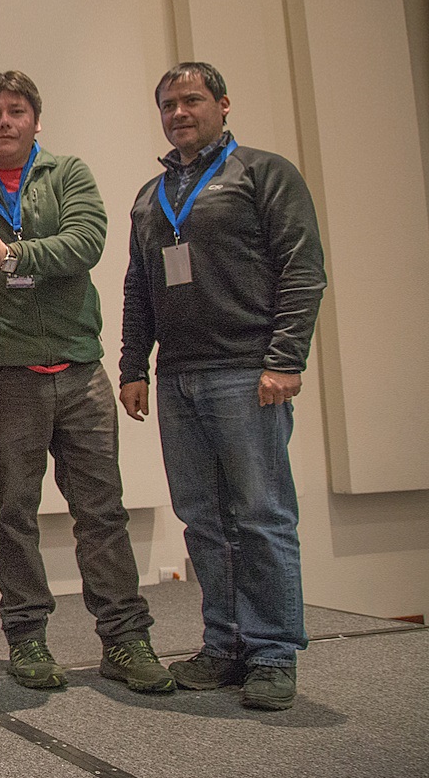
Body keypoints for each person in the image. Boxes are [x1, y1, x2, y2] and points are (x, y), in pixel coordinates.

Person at [0, 70, 173, 694]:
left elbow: (86, 243)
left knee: (102, 513)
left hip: (78, 372)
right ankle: (27, 639)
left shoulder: (68, 174)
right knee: (12, 515)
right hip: (2, 377)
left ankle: (125, 639)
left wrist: (9, 255)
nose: (4, 122)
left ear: (36, 120)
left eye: (16, 111)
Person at [119, 62, 325, 711]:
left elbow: (302, 269)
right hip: (176, 377)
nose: (179, 113)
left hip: (247, 371)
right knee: (203, 520)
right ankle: (224, 642)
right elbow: (137, 287)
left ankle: (272, 652)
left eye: (192, 100)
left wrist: (285, 359)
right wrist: (132, 366)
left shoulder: (263, 174)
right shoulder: (152, 195)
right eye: (168, 104)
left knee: (261, 516)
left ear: (223, 103)